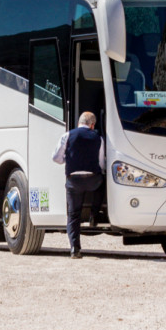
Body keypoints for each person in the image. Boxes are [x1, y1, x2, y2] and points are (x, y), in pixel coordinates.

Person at [51, 111, 106, 259]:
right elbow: (101, 163)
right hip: (92, 180)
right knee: (102, 184)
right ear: (92, 125)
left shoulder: (67, 135)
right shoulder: (98, 138)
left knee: (73, 214)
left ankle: (75, 249)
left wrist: (67, 160)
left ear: (79, 123)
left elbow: (56, 158)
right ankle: (94, 214)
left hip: (73, 181)